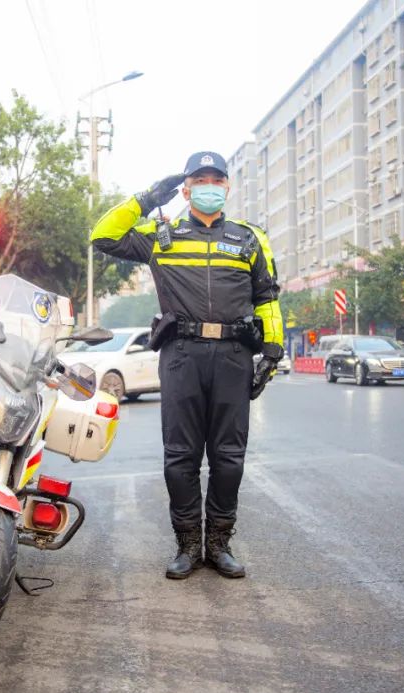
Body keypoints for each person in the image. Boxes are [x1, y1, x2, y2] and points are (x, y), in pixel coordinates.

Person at [89, 151, 283, 579]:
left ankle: (219, 544)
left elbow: (267, 297)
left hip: (234, 355)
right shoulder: (163, 235)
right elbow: (102, 236)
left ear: (227, 187)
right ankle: (188, 546)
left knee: (229, 457)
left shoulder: (249, 238)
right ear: (186, 187)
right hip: (181, 356)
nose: (209, 185)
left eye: (217, 179)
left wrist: (272, 352)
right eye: (200, 179)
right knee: (181, 457)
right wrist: (145, 199)